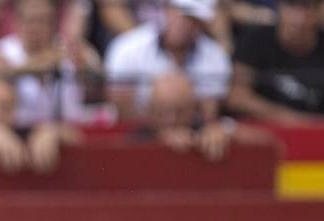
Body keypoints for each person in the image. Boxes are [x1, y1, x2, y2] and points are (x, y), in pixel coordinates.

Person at [104, 0, 233, 120]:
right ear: (167, 10)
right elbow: (122, 110)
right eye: (180, 13)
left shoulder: (215, 57)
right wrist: (159, 130)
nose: (185, 23)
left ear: (203, 24)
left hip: (187, 136)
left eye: (194, 18)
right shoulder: (127, 48)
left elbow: (208, 116)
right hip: (138, 137)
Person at [0, 0, 101, 126]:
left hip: (69, 130)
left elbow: (99, 73)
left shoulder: (72, 48)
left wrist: (82, 61)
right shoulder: (0, 51)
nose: (36, 27)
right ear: (18, 21)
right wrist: (45, 62)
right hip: (22, 132)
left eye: (43, 20)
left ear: (53, 23)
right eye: (31, 20)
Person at [134, 70, 275, 159]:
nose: (171, 119)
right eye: (161, 111)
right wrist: (160, 142)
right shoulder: (138, 137)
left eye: (180, 111)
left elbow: (269, 144)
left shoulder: (204, 127)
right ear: (149, 110)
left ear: (193, 109)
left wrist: (227, 132)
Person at [227, 0, 324, 122]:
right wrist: (292, 118)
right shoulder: (255, 39)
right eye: (292, 6)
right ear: (279, 7)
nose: (300, 18)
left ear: (319, 11)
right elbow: (236, 96)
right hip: (265, 129)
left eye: (308, 7)